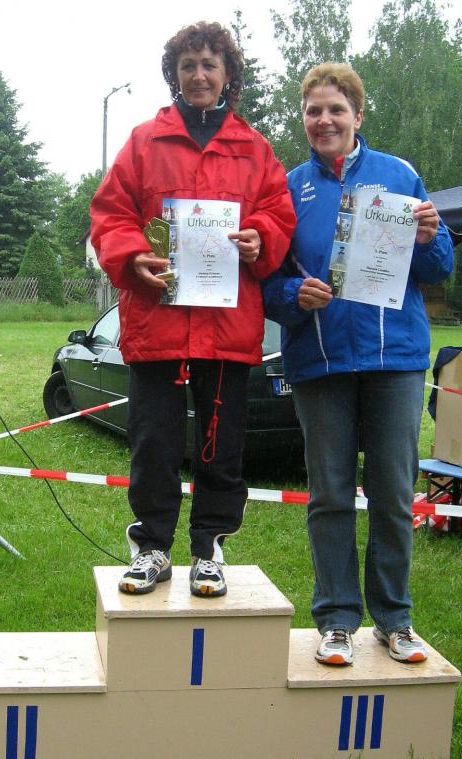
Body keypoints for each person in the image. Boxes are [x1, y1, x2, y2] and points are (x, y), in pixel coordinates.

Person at [91, 21, 295, 598]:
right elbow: (110, 214)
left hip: (226, 328)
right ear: (174, 75)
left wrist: (260, 236)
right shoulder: (143, 142)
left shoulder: (255, 149)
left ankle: (210, 549)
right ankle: (152, 547)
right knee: (153, 441)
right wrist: (132, 256)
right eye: (188, 65)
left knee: (219, 445)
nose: (199, 75)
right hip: (156, 323)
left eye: (209, 64)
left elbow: (279, 213)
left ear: (227, 74)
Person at [263, 63, 453, 664]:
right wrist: (293, 295)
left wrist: (430, 238)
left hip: (394, 360)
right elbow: (267, 280)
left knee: (394, 492)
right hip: (320, 363)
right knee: (329, 496)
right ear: (304, 119)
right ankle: (337, 619)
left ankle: (394, 618)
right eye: (313, 111)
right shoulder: (287, 189)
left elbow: (440, 268)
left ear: (358, 115)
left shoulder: (399, 175)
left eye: (336, 109)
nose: (324, 120)